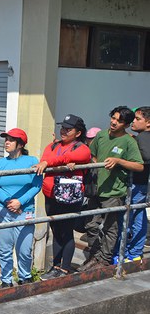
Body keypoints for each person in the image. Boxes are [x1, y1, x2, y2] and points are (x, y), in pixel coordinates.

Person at [78, 106, 143, 272]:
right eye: (113, 118)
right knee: (91, 225)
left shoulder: (129, 141)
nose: (114, 122)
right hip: (96, 190)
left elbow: (139, 166)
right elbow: (92, 155)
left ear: (126, 124)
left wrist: (119, 161)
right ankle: (95, 256)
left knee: (110, 227)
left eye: (119, 121)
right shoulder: (101, 135)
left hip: (114, 192)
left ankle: (105, 259)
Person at [34, 115, 91, 279]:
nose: (63, 131)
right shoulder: (52, 146)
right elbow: (45, 159)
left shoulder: (82, 147)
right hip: (50, 194)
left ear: (78, 133)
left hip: (69, 196)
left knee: (66, 231)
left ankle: (64, 268)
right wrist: (59, 164)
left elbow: (79, 157)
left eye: (68, 129)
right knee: (56, 230)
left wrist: (53, 162)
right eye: (63, 128)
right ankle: (55, 266)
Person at [0, 128, 42, 287]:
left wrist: (20, 202)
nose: (6, 142)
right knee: (4, 250)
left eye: (11, 140)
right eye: (6, 139)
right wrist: (9, 201)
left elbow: (37, 185)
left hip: (24, 210)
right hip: (3, 210)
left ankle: (25, 277)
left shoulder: (32, 161)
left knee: (24, 250)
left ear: (20, 144)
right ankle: (5, 281)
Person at [117, 106, 150, 261]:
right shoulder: (142, 137)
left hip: (136, 184)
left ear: (148, 123)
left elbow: (145, 157)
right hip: (141, 184)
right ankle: (135, 253)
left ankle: (126, 253)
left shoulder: (143, 137)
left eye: (138, 119)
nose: (133, 122)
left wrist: (124, 159)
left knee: (128, 218)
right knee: (139, 216)